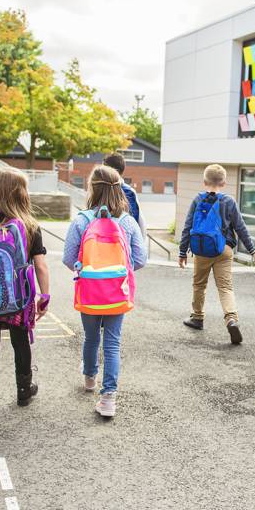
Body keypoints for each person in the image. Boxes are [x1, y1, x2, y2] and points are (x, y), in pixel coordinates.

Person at [0, 168, 50, 433]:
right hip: (17, 296)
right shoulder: (28, 225)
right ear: (19, 193)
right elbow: (40, 266)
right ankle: (24, 389)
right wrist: (44, 296)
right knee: (20, 342)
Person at [63, 165, 146, 418]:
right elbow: (140, 259)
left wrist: (87, 268)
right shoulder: (128, 222)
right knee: (112, 343)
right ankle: (108, 397)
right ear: (119, 189)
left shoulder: (81, 220)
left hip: (89, 290)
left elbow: (68, 258)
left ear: (91, 188)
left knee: (90, 337)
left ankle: (90, 378)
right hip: (117, 291)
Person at [178, 164, 255, 344]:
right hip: (224, 249)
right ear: (223, 183)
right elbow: (241, 228)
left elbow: (187, 227)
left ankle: (197, 318)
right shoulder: (229, 201)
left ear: (204, 181)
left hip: (202, 250)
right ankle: (231, 318)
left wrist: (182, 252)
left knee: (199, 285)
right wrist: (252, 250)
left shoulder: (197, 199)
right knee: (225, 287)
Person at [104, 153, 146, 239]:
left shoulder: (128, 192)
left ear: (113, 170)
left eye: (104, 168)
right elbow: (140, 224)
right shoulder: (130, 192)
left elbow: (137, 220)